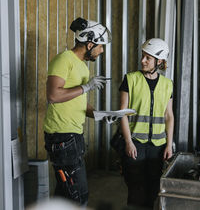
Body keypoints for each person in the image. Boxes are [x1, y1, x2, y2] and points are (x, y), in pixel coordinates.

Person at [43, 17, 111, 206]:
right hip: (62, 138)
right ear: (90, 44)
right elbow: (53, 95)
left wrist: (99, 114)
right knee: (78, 198)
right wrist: (86, 87)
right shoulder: (64, 59)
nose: (102, 50)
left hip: (73, 137)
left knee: (64, 196)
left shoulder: (82, 66)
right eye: (100, 46)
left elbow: (79, 102)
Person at [119, 38, 174, 209]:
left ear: (159, 61)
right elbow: (122, 113)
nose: (142, 60)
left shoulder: (167, 84)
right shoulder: (130, 79)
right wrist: (128, 142)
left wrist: (168, 145)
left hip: (158, 146)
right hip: (136, 143)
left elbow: (168, 115)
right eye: (143, 56)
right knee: (136, 188)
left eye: (148, 58)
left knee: (153, 188)